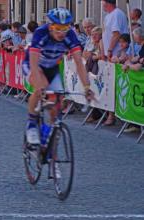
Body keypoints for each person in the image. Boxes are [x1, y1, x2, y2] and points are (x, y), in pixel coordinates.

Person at [22, 7, 93, 146]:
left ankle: (52, 159)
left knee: (56, 112)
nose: (61, 33)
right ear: (50, 26)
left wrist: (87, 87)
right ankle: (31, 124)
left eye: (65, 28)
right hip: (34, 64)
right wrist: (41, 88)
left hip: (52, 67)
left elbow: (79, 63)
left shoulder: (70, 35)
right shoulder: (40, 33)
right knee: (40, 88)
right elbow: (34, 65)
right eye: (57, 28)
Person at [101, 0, 129, 126]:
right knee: (108, 84)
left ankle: (112, 115)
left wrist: (110, 50)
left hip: (116, 55)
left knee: (113, 85)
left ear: (108, 3)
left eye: (103, 2)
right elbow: (105, 34)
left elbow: (116, 34)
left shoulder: (117, 14)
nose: (102, 5)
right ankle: (109, 114)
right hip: (109, 56)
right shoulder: (108, 16)